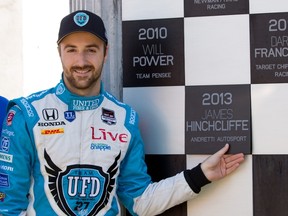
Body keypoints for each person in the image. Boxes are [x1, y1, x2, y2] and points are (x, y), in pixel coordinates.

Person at [0, 10, 245, 216]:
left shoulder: (124, 119)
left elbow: (141, 202)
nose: (81, 60)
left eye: (91, 49)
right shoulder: (28, 113)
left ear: (105, 53)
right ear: (59, 52)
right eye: (71, 49)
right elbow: (8, 206)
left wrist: (200, 175)